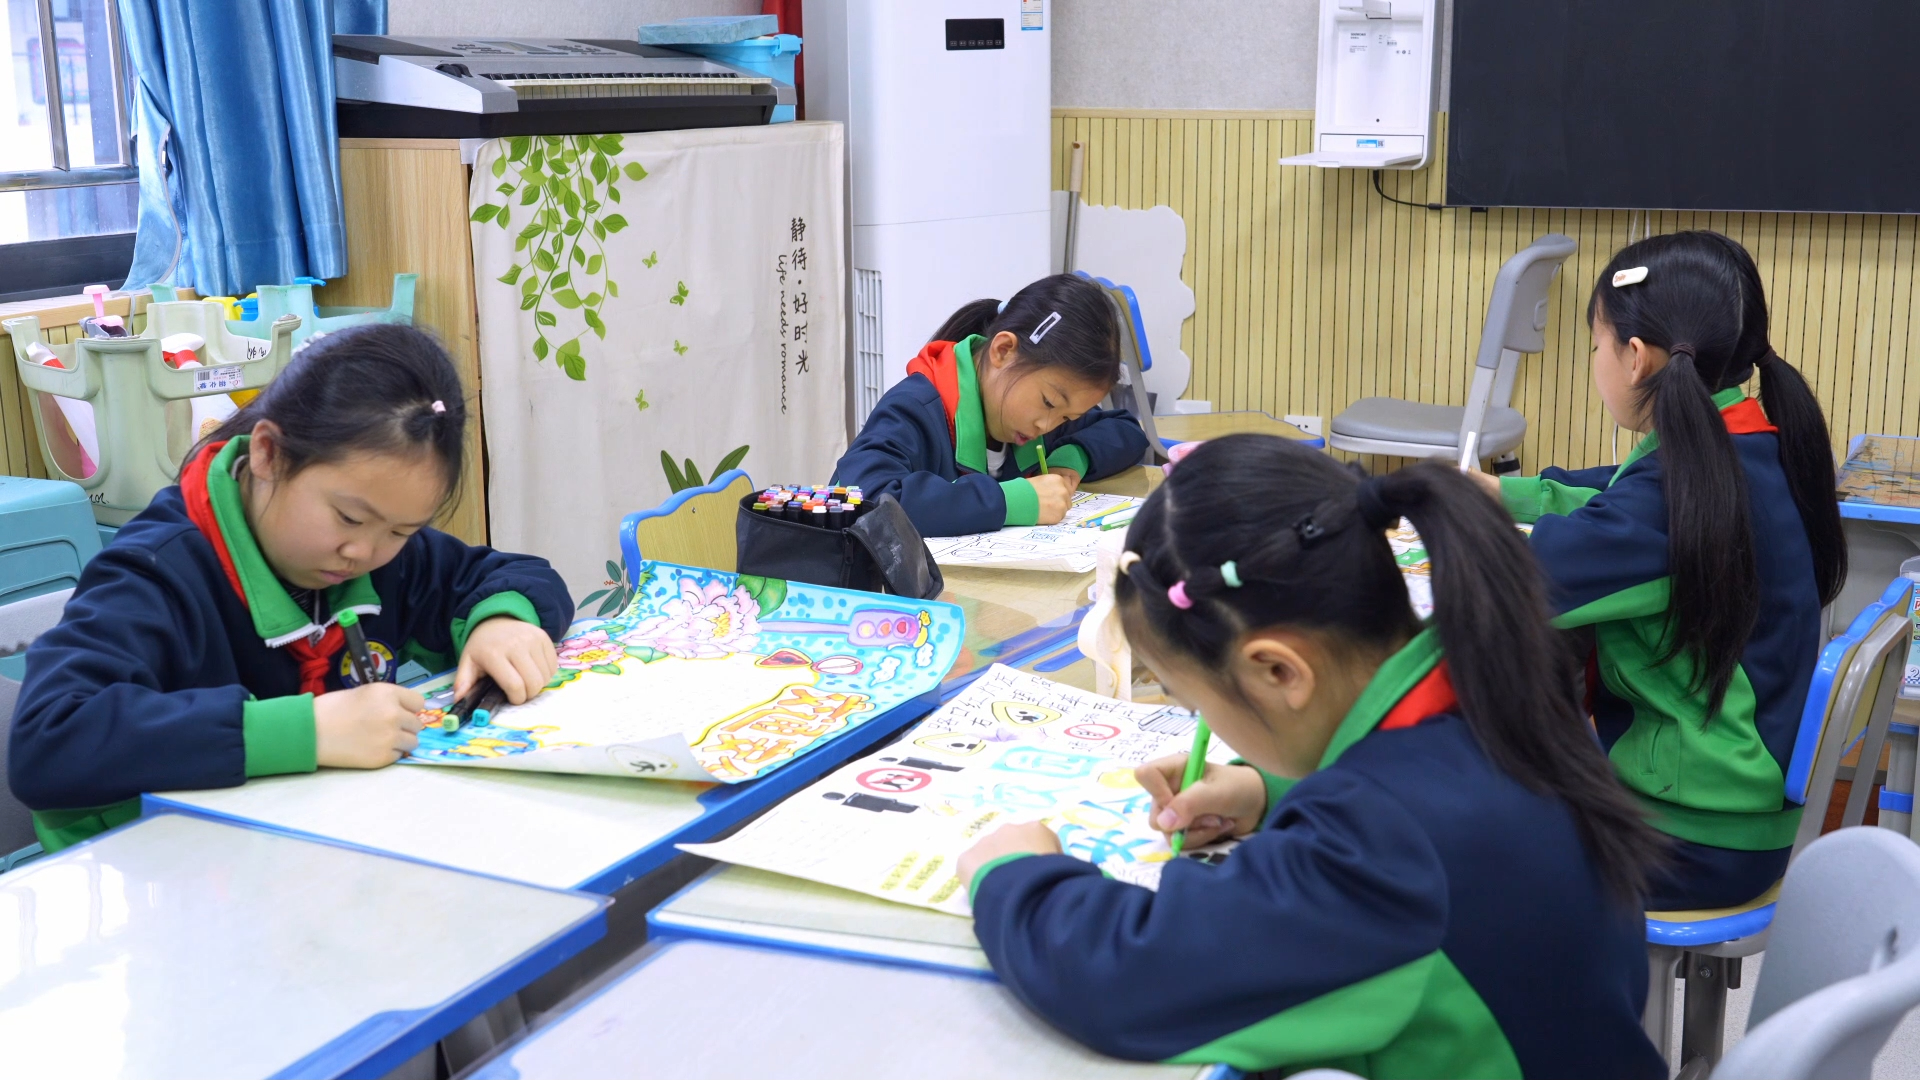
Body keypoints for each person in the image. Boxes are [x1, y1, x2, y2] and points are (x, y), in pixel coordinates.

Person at [957, 436, 1667, 1078]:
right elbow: (1427, 800)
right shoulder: (1498, 681)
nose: (1202, 725)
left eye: (1193, 702)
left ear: (1277, 671)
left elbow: (1133, 976)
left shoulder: (1377, 844)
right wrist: (1267, 791)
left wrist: (1017, 876)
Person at [9, 324, 572, 851]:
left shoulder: (376, 555)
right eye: (349, 518)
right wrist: (305, 731)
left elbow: (514, 575)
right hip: (154, 874)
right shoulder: (156, 572)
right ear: (268, 454)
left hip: (309, 852)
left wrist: (501, 621)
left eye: (402, 531)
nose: (365, 552)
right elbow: (48, 742)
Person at [1471, 230, 1844, 910]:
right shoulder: (1752, 444)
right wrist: (1507, 494)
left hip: (1690, 837)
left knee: (1457, 842)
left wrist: (1439, 523)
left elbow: (1524, 576)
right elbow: (1616, 494)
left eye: (1595, 345)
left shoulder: (1671, 499)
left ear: (1636, 356)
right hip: (1736, 810)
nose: (1596, 361)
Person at [834, 273, 1150, 536]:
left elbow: (1125, 429)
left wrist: (1071, 458)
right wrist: (1005, 501)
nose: (1047, 425)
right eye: (1048, 403)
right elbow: (861, 499)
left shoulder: (1042, 414)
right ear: (1003, 351)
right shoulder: (916, 408)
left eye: (1067, 418)